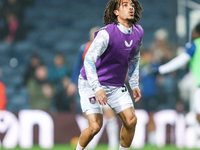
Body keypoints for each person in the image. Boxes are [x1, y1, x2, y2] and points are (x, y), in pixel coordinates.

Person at [75, 0, 143, 150]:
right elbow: (89, 60)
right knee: (95, 126)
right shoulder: (106, 34)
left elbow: (134, 58)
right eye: (124, 5)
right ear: (116, 12)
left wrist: (134, 84)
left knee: (131, 121)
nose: (130, 7)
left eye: (131, 4)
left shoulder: (138, 32)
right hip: (91, 83)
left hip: (116, 86)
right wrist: (97, 88)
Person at [68, 26, 119, 150]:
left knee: (109, 113)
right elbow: (77, 66)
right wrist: (73, 82)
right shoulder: (84, 48)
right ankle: (90, 144)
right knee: (89, 115)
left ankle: (113, 145)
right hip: (88, 86)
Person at [158, 22, 200, 124]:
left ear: (196, 33)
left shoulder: (195, 44)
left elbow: (181, 60)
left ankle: (182, 106)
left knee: (198, 110)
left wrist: (161, 69)